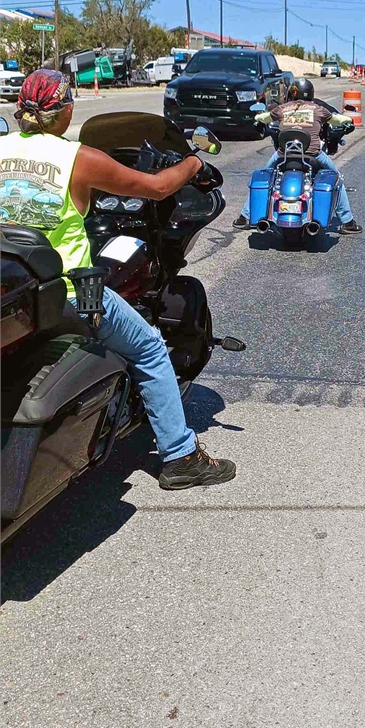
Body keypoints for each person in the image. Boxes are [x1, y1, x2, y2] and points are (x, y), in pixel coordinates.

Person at [0, 69, 235, 491]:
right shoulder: (79, 158)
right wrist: (195, 161)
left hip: (14, 292)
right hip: (66, 295)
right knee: (148, 348)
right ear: (64, 110)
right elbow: (157, 187)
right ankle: (181, 456)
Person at [233, 77, 362, 234]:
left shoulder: (283, 108)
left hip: (283, 155)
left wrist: (258, 118)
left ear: (292, 94)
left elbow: (264, 118)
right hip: (313, 155)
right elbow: (337, 120)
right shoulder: (318, 109)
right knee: (336, 178)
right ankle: (347, 221)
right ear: (311, 94)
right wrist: (348, 120)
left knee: (264, 175)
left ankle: (245, 216)